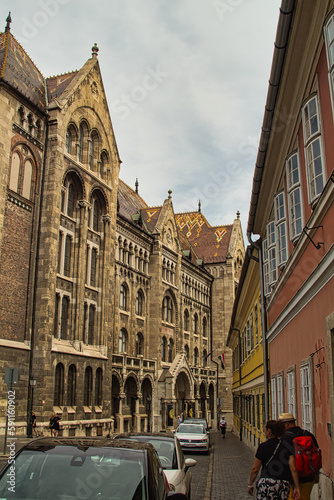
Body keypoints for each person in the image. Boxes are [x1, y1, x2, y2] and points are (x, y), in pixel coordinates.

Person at [248, 420, 300, 500]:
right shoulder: (286, 446)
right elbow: (293, 468)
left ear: (269, 431)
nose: (264, 431)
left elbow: (255, 469)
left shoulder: (263, 447)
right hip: (283, 484)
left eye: (265, 429)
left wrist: (250, 484)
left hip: (266, 484)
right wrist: (297, 487)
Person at [279, 413, 319, 500]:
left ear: (287, 424)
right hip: (309, 477)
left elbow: (285, 463)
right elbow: (317, 455)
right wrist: (316, 474)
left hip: (293, 480)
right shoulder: (309, 435)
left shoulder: (285, 439)